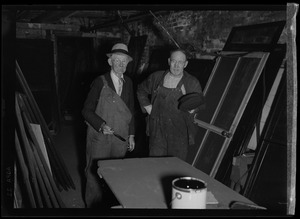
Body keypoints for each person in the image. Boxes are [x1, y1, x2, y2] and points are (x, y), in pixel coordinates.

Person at [82, 43, 135, 208]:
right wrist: (101, 125)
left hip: (120, 138)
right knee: (94, 174)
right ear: (110, 62)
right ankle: (92, 207)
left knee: (115, 174)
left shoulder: (129, 82)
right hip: (99, 137)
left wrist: (131, 135)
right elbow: (86, 110)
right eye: (117, 60)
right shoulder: (100, 82)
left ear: (128, 63)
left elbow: (131, 110)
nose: (121, 64)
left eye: (124, 61)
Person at [137, 48, 204, 162]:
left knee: (175, 165)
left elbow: (201, 104)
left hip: (179, 133)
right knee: (155, 164)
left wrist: (193, 109)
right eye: (174, 61)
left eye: (180, 62)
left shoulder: (191, 82)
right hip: (157, 131)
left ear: (185, 64)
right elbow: (141, 90)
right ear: (169, 61)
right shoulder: (156, 77)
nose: (176, 65)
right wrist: (147, 107)